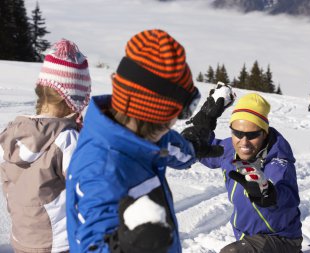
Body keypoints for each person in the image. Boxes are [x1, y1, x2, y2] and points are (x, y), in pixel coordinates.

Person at [65, 29, 225, 253]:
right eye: (180, 113)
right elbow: (90, 244)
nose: (176, 123)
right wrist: (129, 247)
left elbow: (173, 146)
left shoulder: (139, 136)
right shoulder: (101, 169)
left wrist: (195, 145)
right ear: (159, 117)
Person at [0, 39, 91, 253]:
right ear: (74, 100)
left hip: (22, 239)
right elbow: (88, 188)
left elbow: (7, 181)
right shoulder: (66, 139)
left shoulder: (13, 133)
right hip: (60, 244)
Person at [189, 92, 303, 252]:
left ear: (264, 133)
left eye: (252, 135)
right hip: (246, 238)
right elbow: (203, 150)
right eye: (237, 133)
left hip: (281, 239)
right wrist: (204, 123)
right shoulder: (229, 149)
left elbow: (286, 195)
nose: (244, 142)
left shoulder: (279, 162)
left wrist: (268, 194)